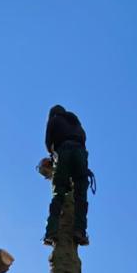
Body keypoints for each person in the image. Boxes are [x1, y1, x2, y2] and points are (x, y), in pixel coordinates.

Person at [42, 104, 90, 246]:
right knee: (81, 195)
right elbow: (83, 142)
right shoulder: (77, 124)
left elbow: (48, 143)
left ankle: (51, 232)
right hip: (81, 155)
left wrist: (52, 156)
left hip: (64, 152)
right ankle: (79, 231)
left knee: (59, 193)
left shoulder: (54, 121)